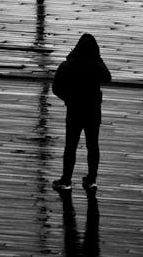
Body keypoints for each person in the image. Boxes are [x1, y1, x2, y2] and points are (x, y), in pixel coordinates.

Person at [51, 33, 112, 192]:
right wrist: (99, 59)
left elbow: (56, 88)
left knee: (70, 145)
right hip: (93, 110)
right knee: (93, 145)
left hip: (74, 109)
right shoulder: (97, 65)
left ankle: (66, 179)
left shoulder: (68, 65)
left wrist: (68, 98)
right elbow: (107, 78)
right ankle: (91, 179)